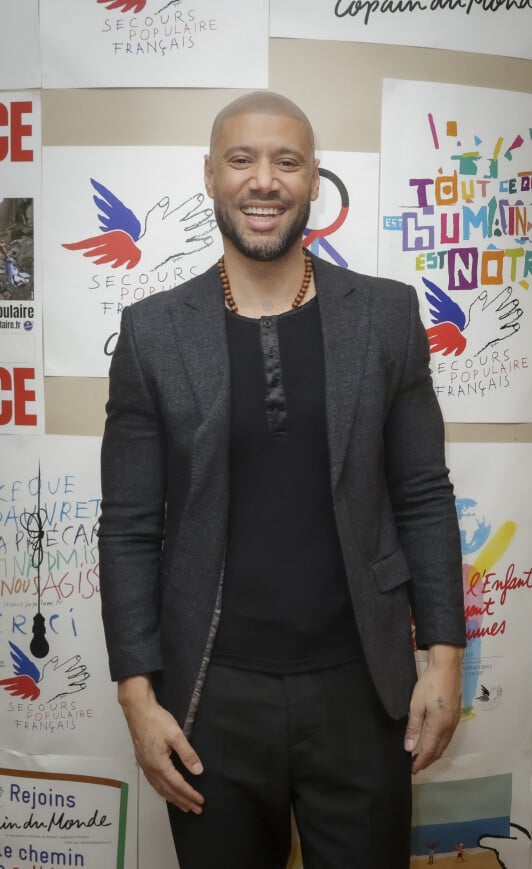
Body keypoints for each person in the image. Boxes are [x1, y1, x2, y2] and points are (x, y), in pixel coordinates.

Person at [98, 91, 466, 869]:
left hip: (365, 695)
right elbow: (129, 526)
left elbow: (424, 494)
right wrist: (137, 694)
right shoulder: (152, 332)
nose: (264, 180)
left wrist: (443, 656)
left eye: (285, 161)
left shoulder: (388, 317)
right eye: (242, 159)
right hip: (209, 698)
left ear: (313, 180)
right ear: (210, 175)